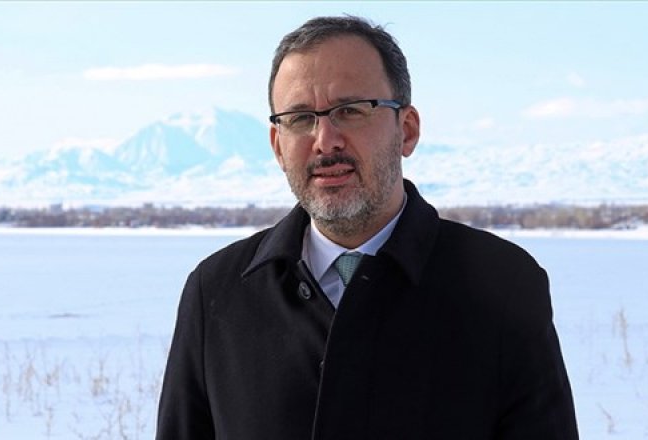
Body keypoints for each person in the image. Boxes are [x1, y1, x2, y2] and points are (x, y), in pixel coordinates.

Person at [156, 15, 578, 440]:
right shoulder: (218, 293)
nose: (325, 140)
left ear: (406, 130)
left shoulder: (502, 285)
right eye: (300, 118)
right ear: (277, 146)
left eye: (350, 111)